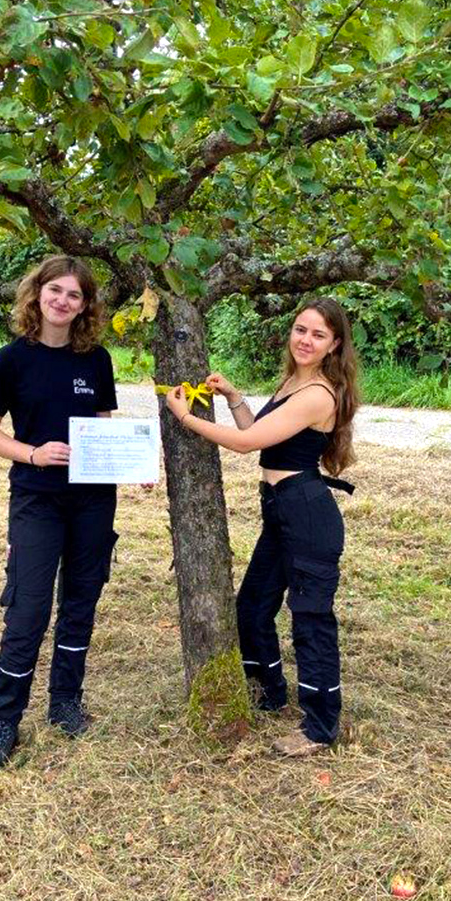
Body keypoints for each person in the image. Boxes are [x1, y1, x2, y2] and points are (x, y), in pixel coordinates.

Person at [163, 297, 359, 756]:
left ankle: (320, 726)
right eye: (300, 329)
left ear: (334, 345)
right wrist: (235, 398)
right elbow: (264, 433)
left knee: (310, 618)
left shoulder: (318, 393)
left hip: (306, 514)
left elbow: (247, 444)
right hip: (280, 510)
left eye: (318, 335)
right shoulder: (294, 380)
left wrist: (185, 417)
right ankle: (269, 691)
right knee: (252, 607)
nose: (305, 340)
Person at [0, 255, 119, 770]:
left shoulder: (96, 360)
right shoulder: (11, 360)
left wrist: (132, 463)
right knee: (28, 609)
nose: (63, 301)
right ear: (37, 294)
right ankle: (3, 721)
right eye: (55, 290)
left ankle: (65, 703)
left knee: (81, 601)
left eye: (74, 294)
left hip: (93, 500)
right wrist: (33, 453)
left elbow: (104, 427)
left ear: (84, 306)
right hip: (37, 498)